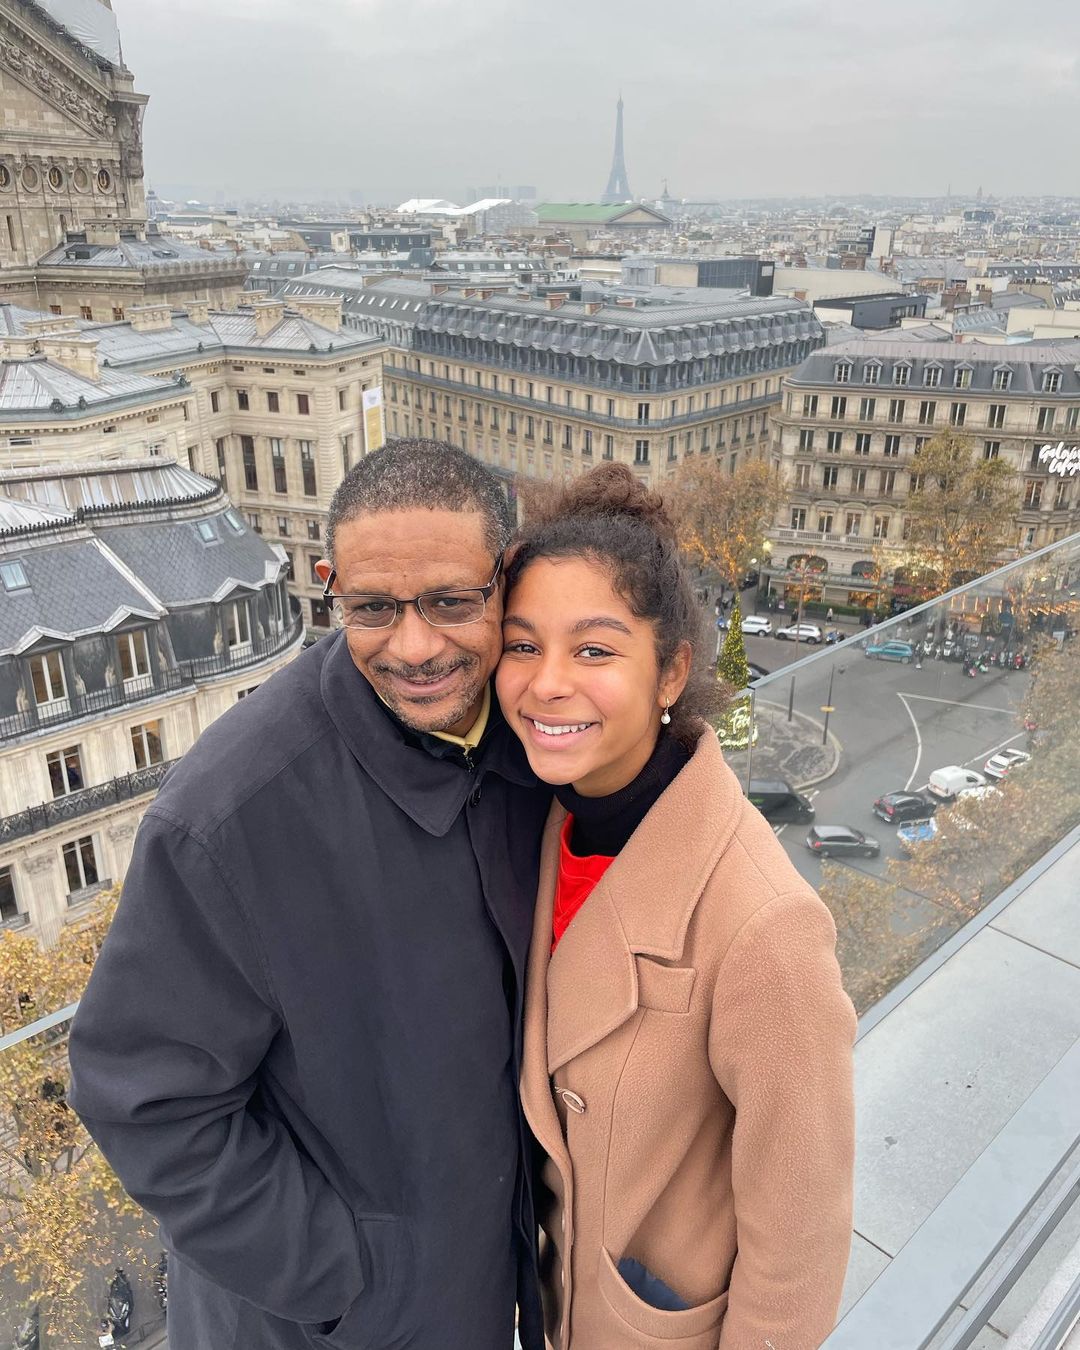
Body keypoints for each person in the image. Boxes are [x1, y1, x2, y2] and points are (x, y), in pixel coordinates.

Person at [68, 440, 552, 1350]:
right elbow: (144, 1098)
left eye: (450, 601)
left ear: (507, 579)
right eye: (372, 608)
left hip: (475, 1295)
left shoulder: (540, 740)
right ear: (329, 590)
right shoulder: (228, 815)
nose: (415, 646)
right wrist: (345, 1281)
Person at [495, 464, 856, 1349]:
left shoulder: (765, 924)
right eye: (522, 645)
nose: (546, 683)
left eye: (594, 650)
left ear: (671, 672)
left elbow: (801, 1238)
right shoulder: (538, 818)